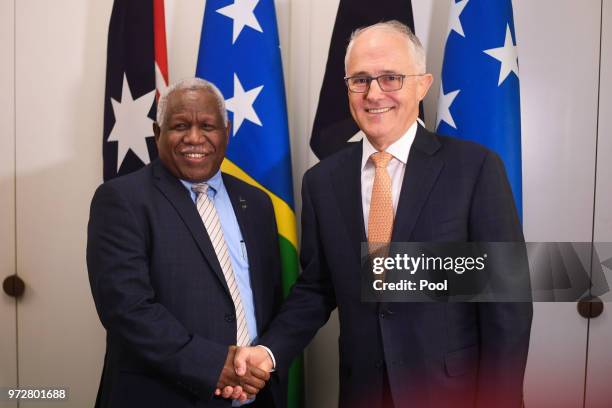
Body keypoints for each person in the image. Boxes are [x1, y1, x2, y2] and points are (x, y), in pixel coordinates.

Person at [230, 21, 532, 408]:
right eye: (360, 80)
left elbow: (507, 304)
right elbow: (317, 289)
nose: (374, 94)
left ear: (422, 85)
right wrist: (268, 353)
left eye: (390, 77)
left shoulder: (474, 169)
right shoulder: (322, 182)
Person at [87, 77, 285, 408]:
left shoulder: (257, 203)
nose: (194, 138)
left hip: (255, 396)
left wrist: (256, 365)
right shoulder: (121, 199)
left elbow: (268, 300)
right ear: (157, 132)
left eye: (207, 126)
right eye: (180, 125)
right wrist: (214, 365)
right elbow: (126, 308)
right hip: (162, 397)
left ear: (227, 131)